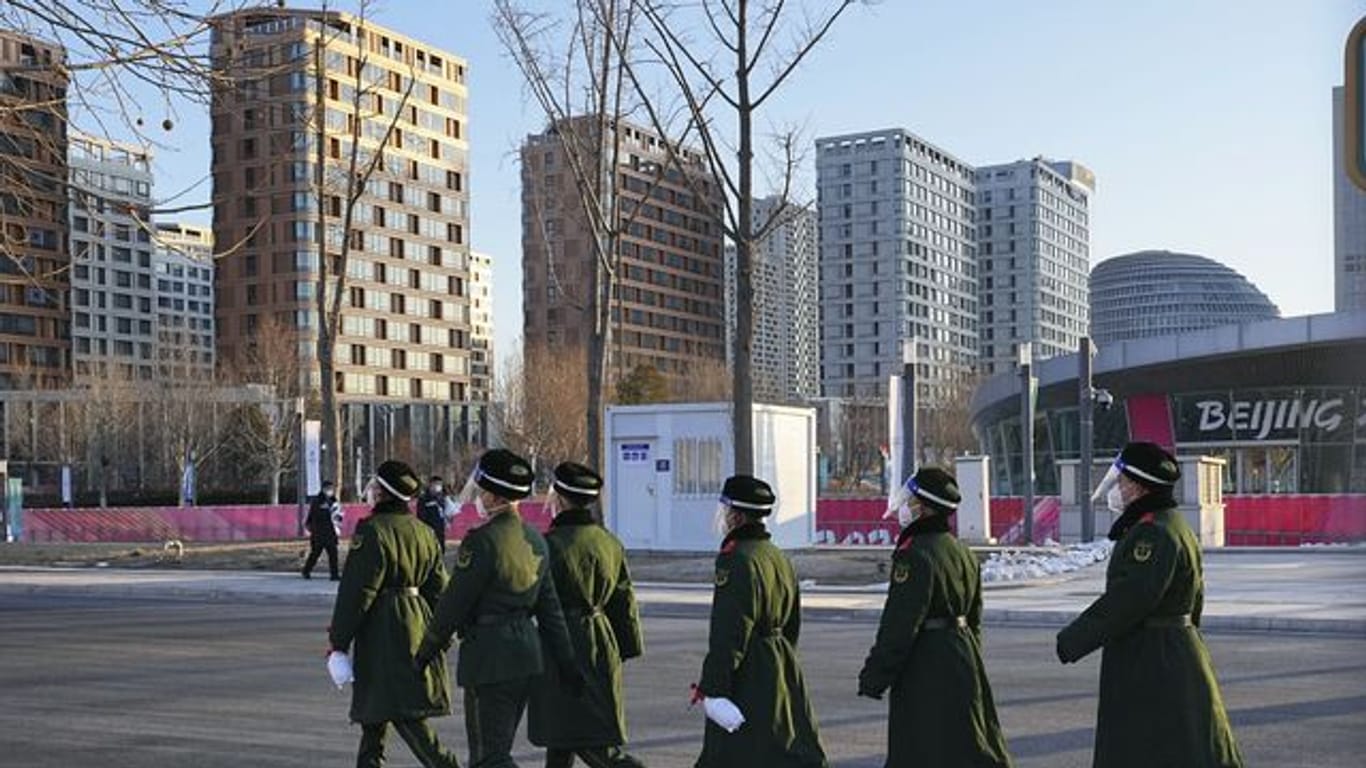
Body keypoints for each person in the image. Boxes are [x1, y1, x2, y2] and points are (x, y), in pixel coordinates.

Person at [1056, 442, 1244, 768]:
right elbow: (1195, 597)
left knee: (1152, 746)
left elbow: (1131, 599)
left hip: (1153, 658)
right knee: (1182, 743)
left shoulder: (1152, 533)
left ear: (1140, 486)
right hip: (1173, 650)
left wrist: (1074, 639)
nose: (1120, 488)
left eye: (1124, 481)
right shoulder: (1173, 524)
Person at [416, 448, 583, 768]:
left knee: (488, 758)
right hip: (526, 656)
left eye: (482, 492)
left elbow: (454, 603)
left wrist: (426, 652)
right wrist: (566, 662)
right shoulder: (535, 540)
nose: (479, 497)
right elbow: (551, 611)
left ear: (493, 496)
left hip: (490, 658)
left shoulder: (482, 541)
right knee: (494, 751)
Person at [856, 467, 1013, 768]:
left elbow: (900, 623)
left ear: (924, 508)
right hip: (964, 657)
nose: (905, 507)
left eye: (911, 501)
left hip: (926, 662)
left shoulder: (915, 554)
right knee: (965, 744)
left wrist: (876, 675)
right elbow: (975, 616)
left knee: (921, 747)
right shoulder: (961, 551)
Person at [327, 460, 460, 768]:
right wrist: (443, 632)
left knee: (401, 713)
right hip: (418, 624)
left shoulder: (372, 531)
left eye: (373, 486)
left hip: (383, 630)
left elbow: (357, 593)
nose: (369, 491)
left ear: (383, 493)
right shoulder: (424, 532)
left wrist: (338, 641)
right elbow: (440, 589)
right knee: (375, 718)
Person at [693, 475, 826, 768]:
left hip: (750, 670)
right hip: (781, 663)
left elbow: (729, 631)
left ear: (737, 517)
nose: (724, 519)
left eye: (727, 512)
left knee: (733, 754)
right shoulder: (777, 556)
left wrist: (713, 687)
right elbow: (793, 623)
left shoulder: (737, 559)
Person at [527, 462, 646, 768]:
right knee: (564, 738)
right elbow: (623, 600)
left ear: (561, 498)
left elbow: (532, 599)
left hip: (560, 642)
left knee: (577, 736)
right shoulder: (609, 542)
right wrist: (626, 646)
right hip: (601, 638)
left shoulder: (548, 544)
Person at [302, 479, 343, 580]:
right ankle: (306, 570)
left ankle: (334, 575)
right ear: (323, 489)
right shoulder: (317, 501)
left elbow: (338, 515)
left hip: (331, 532)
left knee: (333, 554)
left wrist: (338, 519)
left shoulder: (334, 501)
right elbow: (313, 516)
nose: (330, 491)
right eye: (328, 489)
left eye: (331, 489)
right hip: (319, 533)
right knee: (315, 553)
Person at [418, 476, 455, 553]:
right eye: (436, 484)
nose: (438, 486)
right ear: (430, 485)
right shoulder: (424, 498)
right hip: (428, 531)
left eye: (439, 484)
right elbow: (421, 515)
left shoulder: (443, 498)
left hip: (440, 531)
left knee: (440, 551)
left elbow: (448, 513)